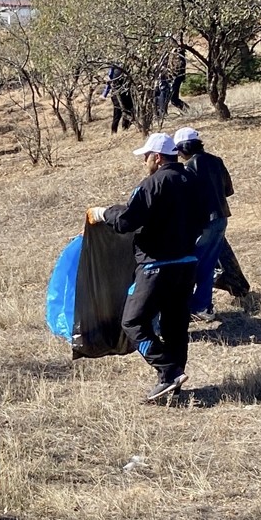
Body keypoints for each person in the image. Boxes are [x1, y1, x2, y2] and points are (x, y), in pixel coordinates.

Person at [85, 133, 208, 404]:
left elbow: (128, 220)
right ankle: (173, 384)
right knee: (175, 326)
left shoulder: (153, 184)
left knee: (133, 321)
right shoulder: (193, 182)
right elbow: (204, 219)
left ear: (157, 157)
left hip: (156, 267)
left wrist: (104, 213)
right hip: (187, 265)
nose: (144, 162)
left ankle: (168, 370)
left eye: (146, 157)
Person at [174, 127, 234, 322]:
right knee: (207, 264)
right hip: (221, 218)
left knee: (195, 265)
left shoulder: (189, 167)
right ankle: (202, 306)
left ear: (184, 148)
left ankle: (196, 306)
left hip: (203, 223)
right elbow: (227, 189)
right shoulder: (216, 161)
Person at [103, 66, 135, 134]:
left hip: (126, 93)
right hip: (116, 94)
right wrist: (104, 94)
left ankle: (125, 130)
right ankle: (114, 132)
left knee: (129, 111)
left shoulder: (127, 66)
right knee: (117, 114)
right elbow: (109, 82)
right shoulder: (113, 68)